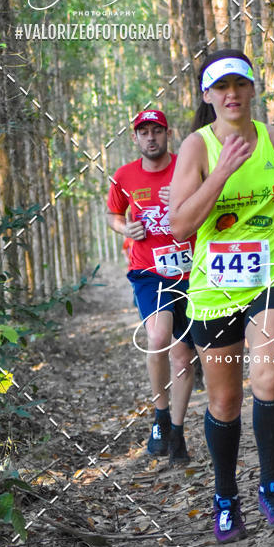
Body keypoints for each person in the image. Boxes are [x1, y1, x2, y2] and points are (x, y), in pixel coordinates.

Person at [169, 48, 274, 543]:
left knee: (268, 375)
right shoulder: (196, 148)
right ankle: (225, 497)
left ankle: (272, 488)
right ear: (208, 97)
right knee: (226, 401)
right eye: (220, 87)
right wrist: (222, 173)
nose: (231, 95)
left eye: (240, 85)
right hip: (213, 288)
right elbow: (179, 226)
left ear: (253, 89)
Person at [107, 109, 196, 466]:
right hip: (149, 272)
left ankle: (176, 430)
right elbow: (113, 214)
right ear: (135, 138)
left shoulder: (186, 167)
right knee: (159, 339)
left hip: (192, 273)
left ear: (167, 133)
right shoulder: (124, 176)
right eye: (143, 132)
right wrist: (124, 229)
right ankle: (160, 416)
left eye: (156, 130)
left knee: (183, 356)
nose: (151, 137)